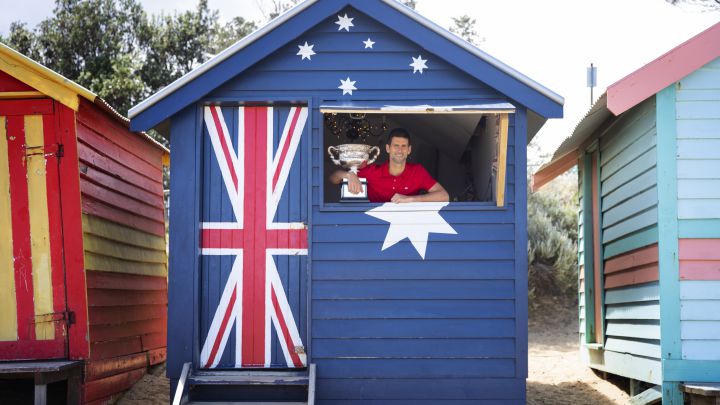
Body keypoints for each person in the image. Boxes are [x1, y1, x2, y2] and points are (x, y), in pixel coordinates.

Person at [330, 128, 449, 203]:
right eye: (396, 145)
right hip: (375, 230)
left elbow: (444, 196)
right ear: (388, 148)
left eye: (404, 146)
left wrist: (411, 199)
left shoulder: (417, 171)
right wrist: (348, 175)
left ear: (409, 150)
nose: (399, 150)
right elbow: (333, 178)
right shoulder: (373, 172)